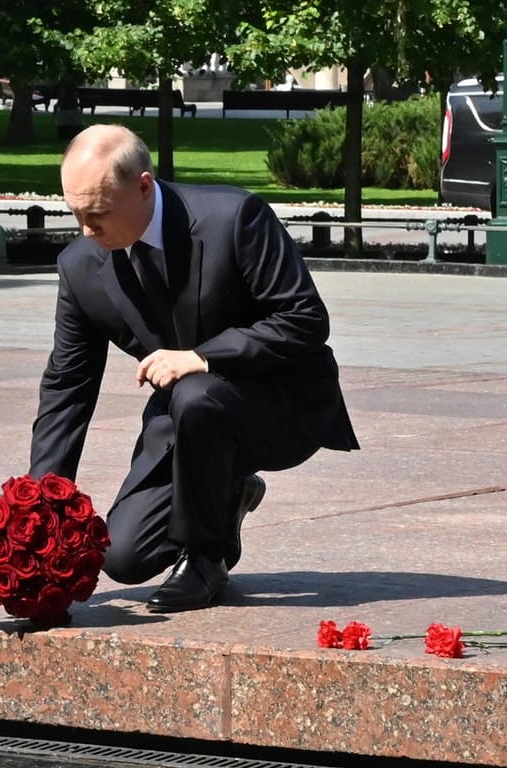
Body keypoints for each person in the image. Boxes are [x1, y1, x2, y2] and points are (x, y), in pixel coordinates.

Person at [30, 125, 357, 612]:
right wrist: (41, 507)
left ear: (143, 186)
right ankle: (228, 494)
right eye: (74, 212)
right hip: (187, 420)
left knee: (195, 392)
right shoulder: (80, 266)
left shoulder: (234, 218)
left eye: (96, 212)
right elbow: (68, 387)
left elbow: (305, 319)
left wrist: (205, 357)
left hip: (281, 402)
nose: (84, 229)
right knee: (122, 556)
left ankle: (206, 558)